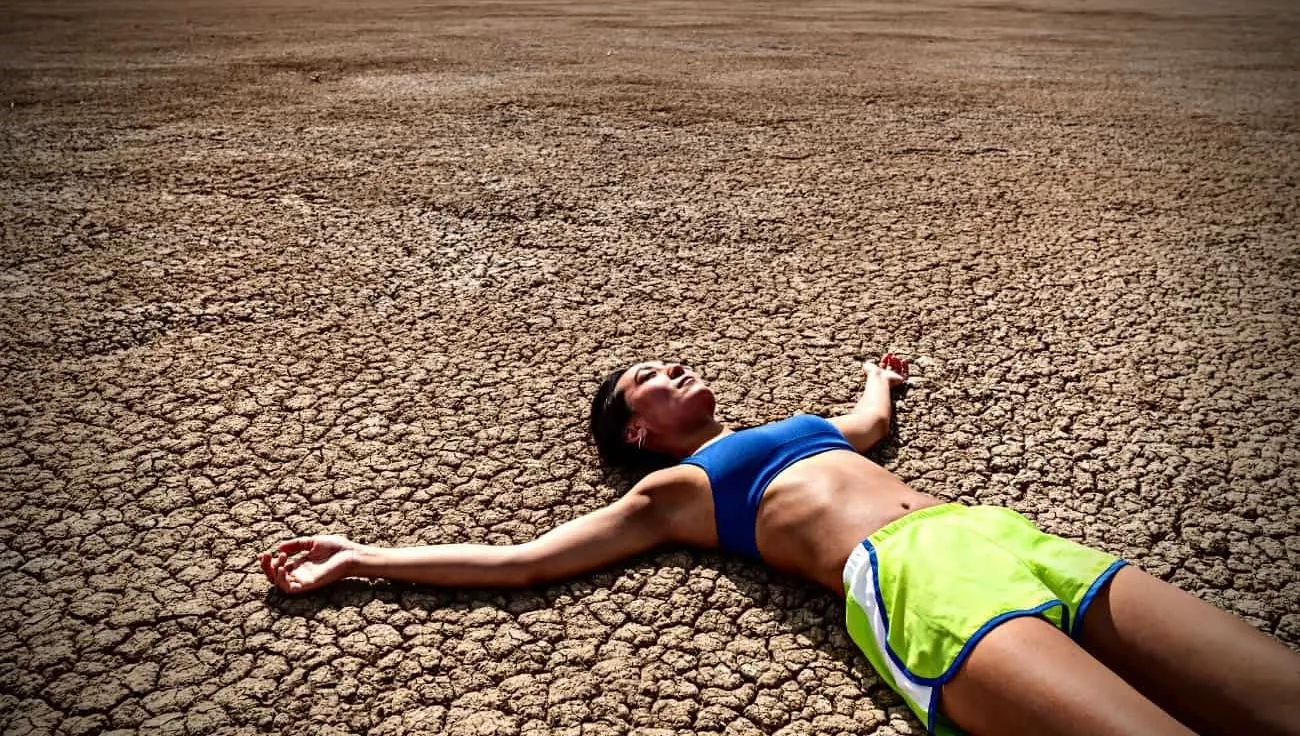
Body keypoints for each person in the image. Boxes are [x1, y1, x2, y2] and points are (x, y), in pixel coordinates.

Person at [259, 355, 1300, 736]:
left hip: (1005, 538)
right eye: (651, 376)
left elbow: (866, 427)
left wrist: (880, 378)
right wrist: (364, 553)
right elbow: (525, 557)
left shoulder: (795, 428)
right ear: (637, 430)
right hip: (920, 582)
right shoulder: (679, 490)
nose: (677, 366)